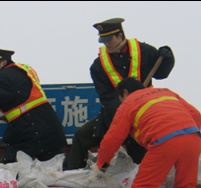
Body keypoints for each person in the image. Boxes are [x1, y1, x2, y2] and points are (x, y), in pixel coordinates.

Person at [96, 77, 201, 188]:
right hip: (193, 138)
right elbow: (196, 114)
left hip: (165, 141)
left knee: (142, 187)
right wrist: (188, 134)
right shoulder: (167, 92)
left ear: (124, 93)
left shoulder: (128, 103)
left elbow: (113, 138)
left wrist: (101, 164)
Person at [65, 18, 175, 170]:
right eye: (104, 41)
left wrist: (168, 58)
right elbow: (106, 97)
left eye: (109, 39)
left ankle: (146, 178)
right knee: (82, 136)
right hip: (116, 114)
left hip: (145, 114)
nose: (107, 44)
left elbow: (162, 73)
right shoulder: (98, 66)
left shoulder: (145, 51)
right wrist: (125, 112)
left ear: (120, 36)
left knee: (141, 149)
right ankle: (74, 177)